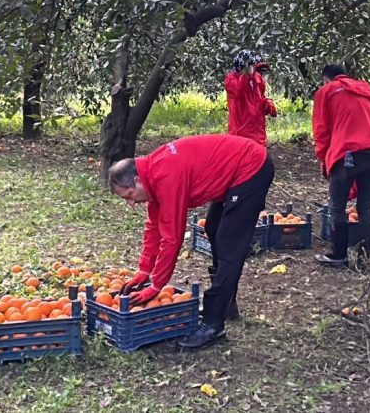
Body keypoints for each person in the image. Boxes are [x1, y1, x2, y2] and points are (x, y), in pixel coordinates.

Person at [107, 134, 274, 350]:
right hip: (233, 170)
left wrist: (157, 285)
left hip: (251, 167)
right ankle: (226, 303)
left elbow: (172, 238)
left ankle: (213, 323)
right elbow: (154, 227)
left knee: (229, 244)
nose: (131, 203)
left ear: (137, 181)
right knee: (213, 228)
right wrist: (144, 270)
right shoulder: (151, 173)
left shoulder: (166, 176)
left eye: (129, 195)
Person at [311, 64, 370, 267]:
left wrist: (324, 158)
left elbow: (321, 130)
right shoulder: (369, 91)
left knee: (337, 206)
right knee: (365, 207)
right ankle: (364, 258)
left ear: (326, 79)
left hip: (346, 153)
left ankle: (338, 255)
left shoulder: (326, 92)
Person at [224, 50, 277, 146]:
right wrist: (246, 76)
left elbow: (259, 97)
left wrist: (267, 103)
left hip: (258, 132)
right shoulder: (231, 79)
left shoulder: (257, 78)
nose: (255, 70)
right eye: (253, 66)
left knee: (260, 158)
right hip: (241, 133)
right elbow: (238, 92)